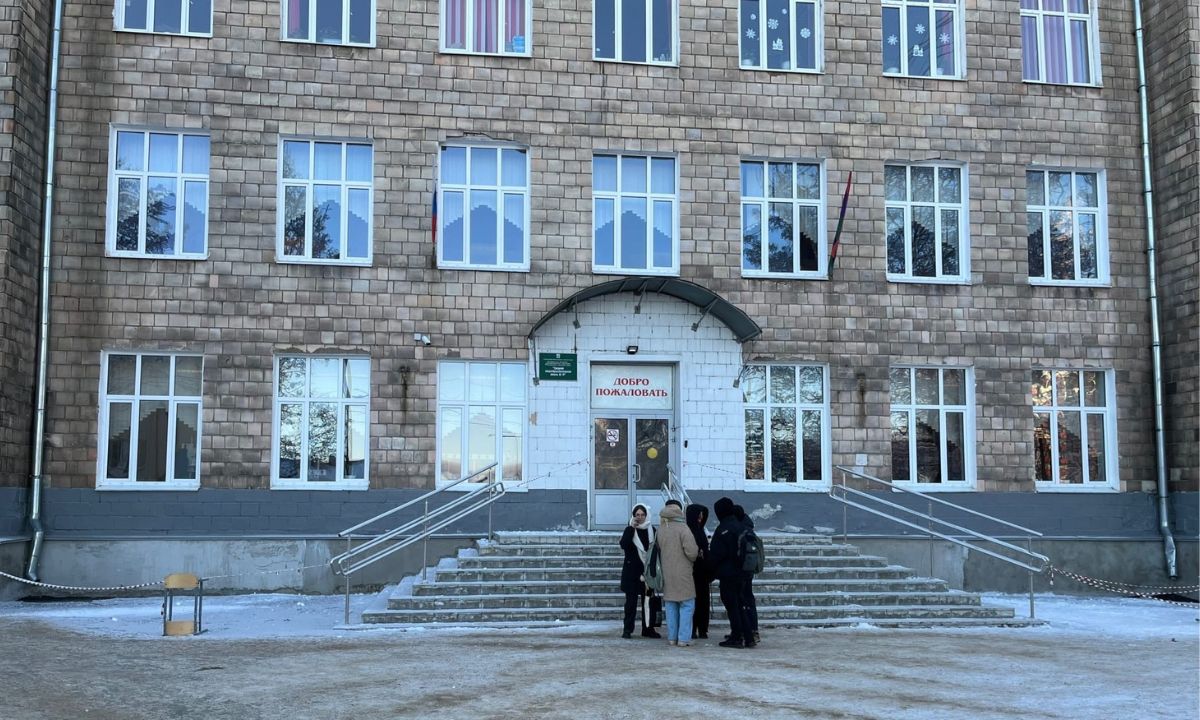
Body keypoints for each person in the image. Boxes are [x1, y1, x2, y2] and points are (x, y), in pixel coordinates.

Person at [709, 497, 754, 648]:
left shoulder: (724, 529)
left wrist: (710, 571)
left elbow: (717, 554)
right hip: (743, 573)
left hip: (729, 574)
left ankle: (736, 637)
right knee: (740, 604)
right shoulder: (741, 526)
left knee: (732, 606)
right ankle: (748, 636)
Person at [657, 499, 699, 646]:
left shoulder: (661, 529)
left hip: (667, 572)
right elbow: (692, 552)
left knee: (671, 605)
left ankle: (672, 637)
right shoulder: (683, 528)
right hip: (683, 572)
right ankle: (683, 638)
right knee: (687, 604)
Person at [619, 503, 660, 638]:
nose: (640, 517)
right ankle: (627, 629)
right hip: (631, 573)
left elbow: (655, 550)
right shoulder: (629, 529)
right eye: (637, 515)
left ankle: (648, 629)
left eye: (642, 515)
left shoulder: (651, 530)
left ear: (646, 515)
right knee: (630, 604)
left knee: (648, 603)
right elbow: (624, 544)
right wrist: (632, 528)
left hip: (647, 572)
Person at [733, 504, 760, 645]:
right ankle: (752, 630)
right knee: (748, 600)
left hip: (742, 571)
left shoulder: (741, 530)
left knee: (744, 601)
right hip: (748, 570)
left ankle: (748, 631)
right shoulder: (748, 528)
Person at [685, 502, 712, 640]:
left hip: (702, 572)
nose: (701, 518)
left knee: (703, 601)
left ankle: (702, 628)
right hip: (692, 572)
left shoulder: (700, 530)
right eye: (699, 516)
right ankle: (693, 628)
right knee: (693, 601)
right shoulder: (688, 532)